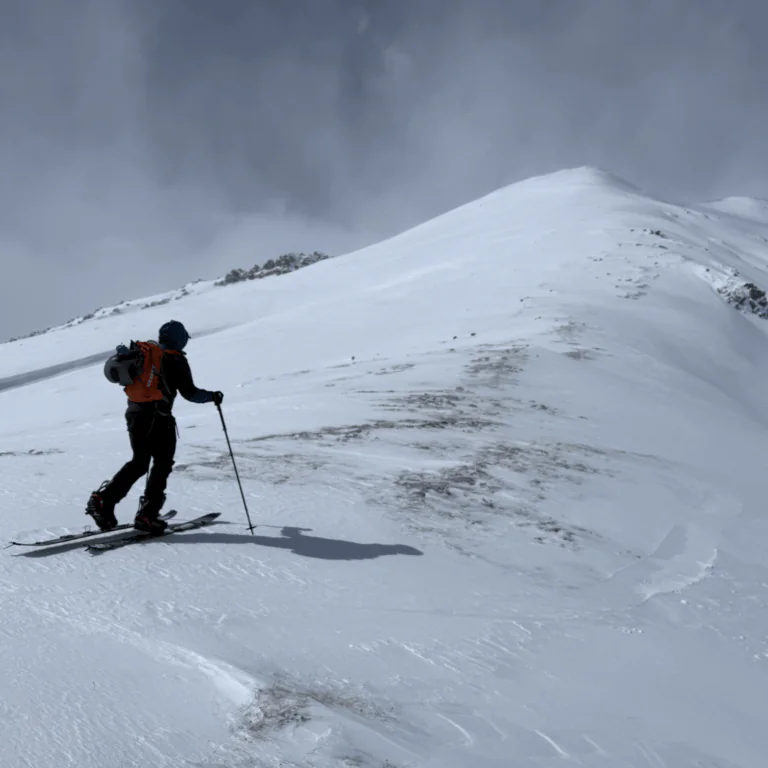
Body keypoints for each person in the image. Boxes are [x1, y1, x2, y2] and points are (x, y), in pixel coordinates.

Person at [86, 320, 223, 534]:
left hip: (135, 414)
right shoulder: (174, 359)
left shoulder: (146, 356)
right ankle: (148, 515)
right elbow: (190, 393)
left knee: (139, 462)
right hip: (159, 418)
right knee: (162, 463)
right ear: (180, 339)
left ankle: (103, 502)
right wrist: (212, 396)